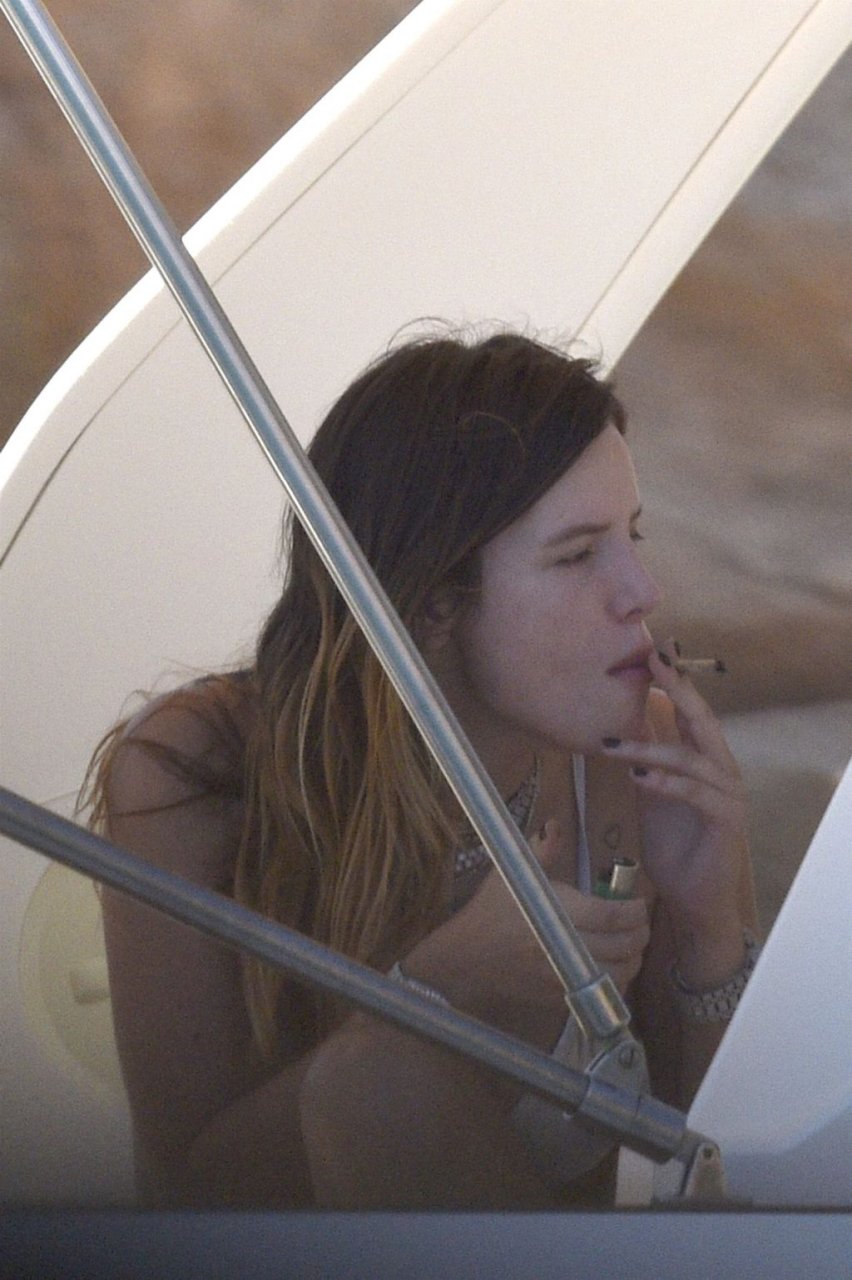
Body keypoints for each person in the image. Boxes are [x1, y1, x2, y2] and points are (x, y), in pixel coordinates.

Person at [84, 328, 758, 1209]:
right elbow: (187, 1199)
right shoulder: (200, 771)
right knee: (377, 1090)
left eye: (633, 535)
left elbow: (717, 1173)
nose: (643, 591)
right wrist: (440, 993)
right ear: (435, 603)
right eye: (577, 554)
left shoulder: (628, 759)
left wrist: (710, 929)